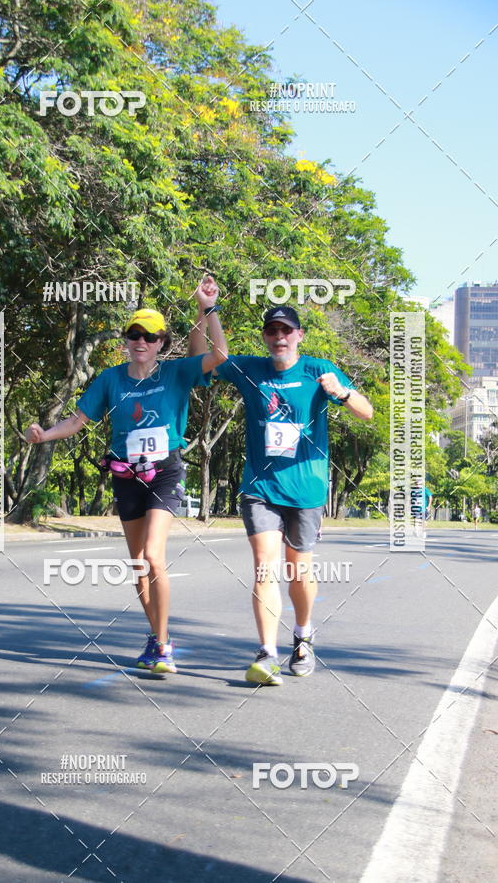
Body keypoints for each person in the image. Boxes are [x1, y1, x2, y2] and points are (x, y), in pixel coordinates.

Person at [25, 277, 227, 674]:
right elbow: (78, 419)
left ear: (161, 343)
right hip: (125, 474)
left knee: (153, 555)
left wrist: (208, 307)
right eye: (135, 334)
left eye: (150, 336)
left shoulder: (176, 374)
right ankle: (155, 635)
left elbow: (218, 353)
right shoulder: (110, 379)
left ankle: (164, 644)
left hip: (165, 471)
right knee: (138, 564)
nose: (141, 341)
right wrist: (44, 434)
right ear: (126, 340)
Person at [189, 304, 373, 685]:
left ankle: (303, 635)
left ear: (299, 336)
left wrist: (340, 392)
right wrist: (205, 311)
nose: (279, 338)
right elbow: (199, 359)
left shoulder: (318, 369)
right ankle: (267, 652)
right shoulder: (249, 369)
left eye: (286, 331)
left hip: (306, 489)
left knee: (297, 569)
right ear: (265, 338)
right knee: (264, 566)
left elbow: (366, 412)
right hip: (260, 486)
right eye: (272, 331)